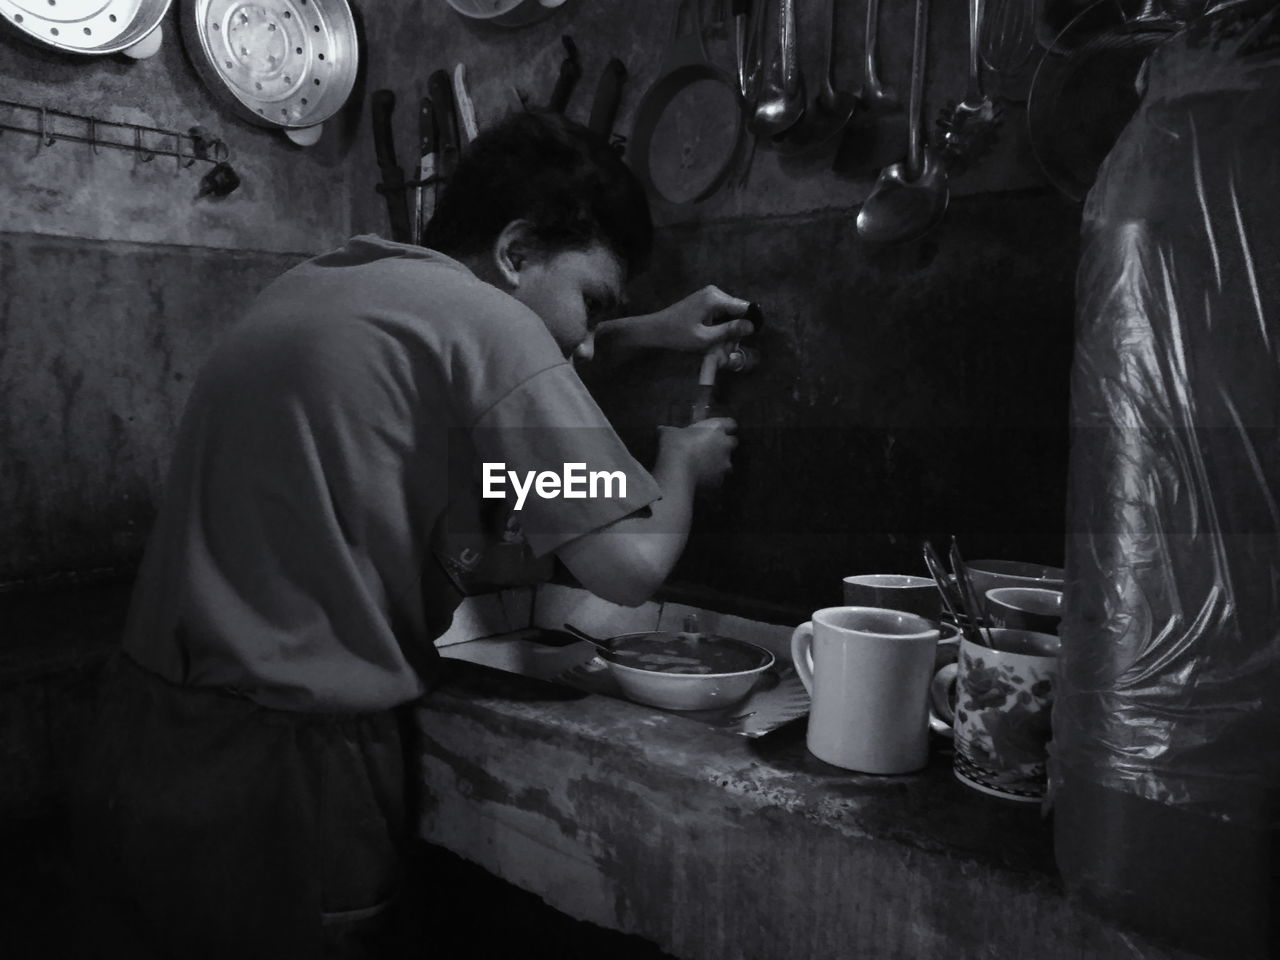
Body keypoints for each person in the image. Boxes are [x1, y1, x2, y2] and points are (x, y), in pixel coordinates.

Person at [69, 110, 753, 958]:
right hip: (288, 772)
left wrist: (647, 329)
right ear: (514, 252)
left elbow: (495, 375)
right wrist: (679, 462)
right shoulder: (492, 327)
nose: (583, 338)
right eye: (592, 301)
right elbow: (629, 566)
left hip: (146, 734)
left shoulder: (335, 282)